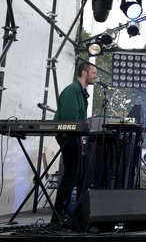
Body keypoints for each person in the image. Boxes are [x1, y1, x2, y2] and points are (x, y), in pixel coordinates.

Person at [51, 62, 97, 224]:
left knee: (75, 174)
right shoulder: (72, 90)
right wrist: (83, 130)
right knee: (71, 174)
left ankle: (64, 213)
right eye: (93, 73)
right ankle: (58, 214)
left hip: (74, 136)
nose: (95, 76)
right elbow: (70, 120)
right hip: (68, 135)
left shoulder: (81, 92)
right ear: (84, 73)